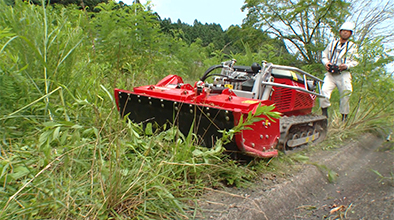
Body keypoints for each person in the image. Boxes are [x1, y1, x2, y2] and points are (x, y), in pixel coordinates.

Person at [320, 22, 359, 121]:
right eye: (344, 31)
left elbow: (356, 61)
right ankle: (324, 114)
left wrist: (346, 66)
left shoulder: (352, 47)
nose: (345, 33)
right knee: (324, 91)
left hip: (343, 74)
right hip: (331, 74)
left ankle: (344, 118)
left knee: (346, 94)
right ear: (340, 32)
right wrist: (326, 63)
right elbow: (324, 56)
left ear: (350, 34)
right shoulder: (332, 43)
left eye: (348, 32)